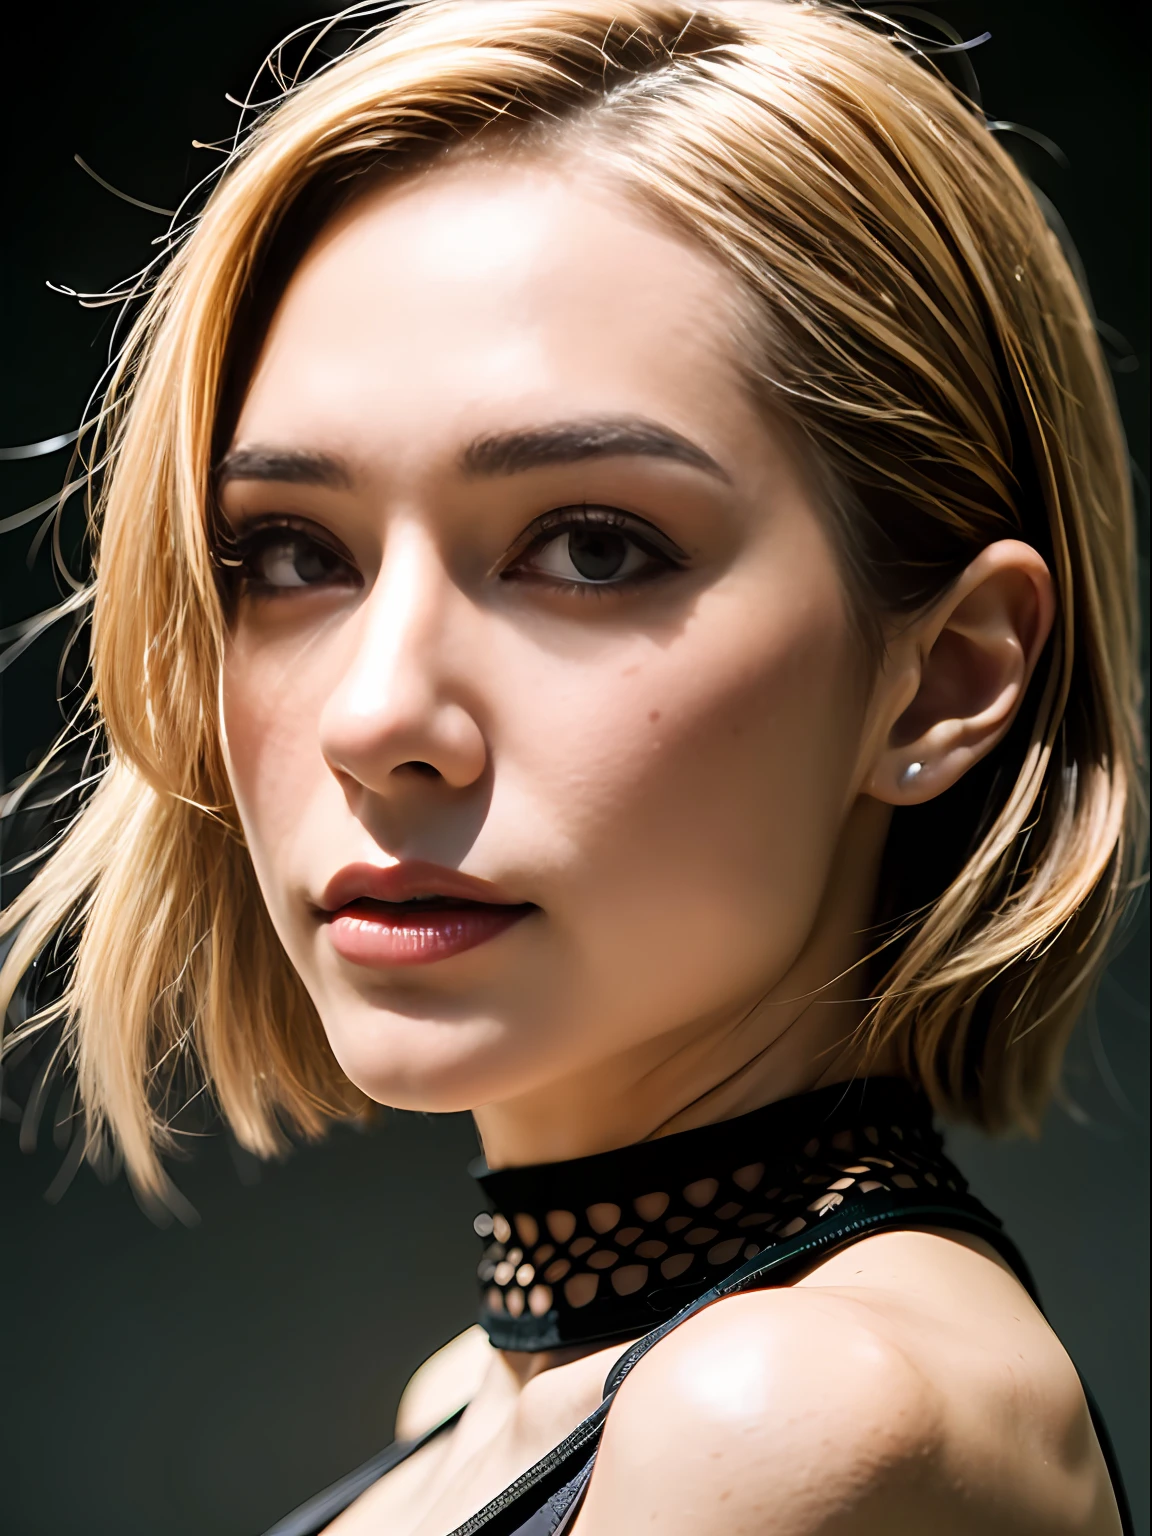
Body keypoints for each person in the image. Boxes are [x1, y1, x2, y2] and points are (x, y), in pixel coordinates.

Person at [0, 2, 1142, 1531]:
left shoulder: (783, 1419)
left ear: (943, 678)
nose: (376, 712)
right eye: (289, 553)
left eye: (592, 549)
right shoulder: (482, 1399)